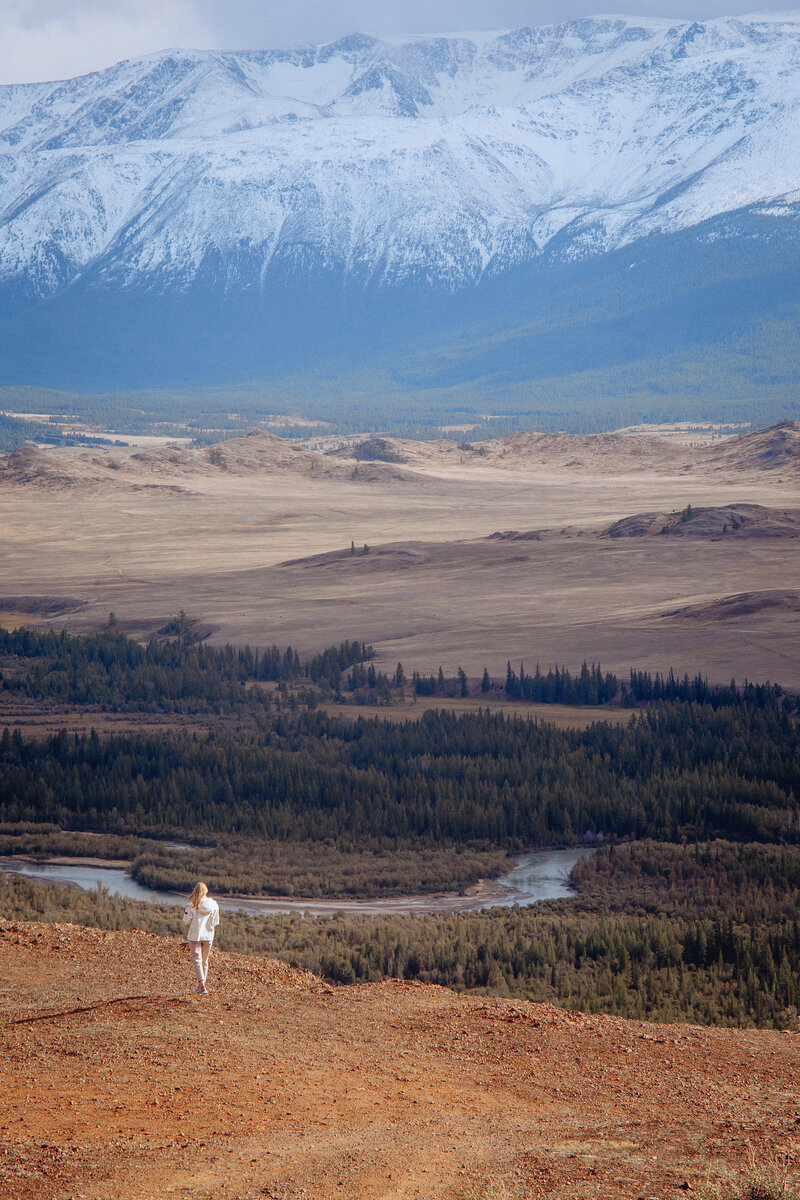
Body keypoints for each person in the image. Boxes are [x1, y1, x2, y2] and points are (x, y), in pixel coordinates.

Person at [183, 881, 220, 995]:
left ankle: (201, 985)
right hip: (208, 935)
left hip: (195, 935)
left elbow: (185, 921)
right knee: (205, 961)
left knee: (196, 960)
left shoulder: (191, 904)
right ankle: (202, 985)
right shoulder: (213, 904)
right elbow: (215, 921)